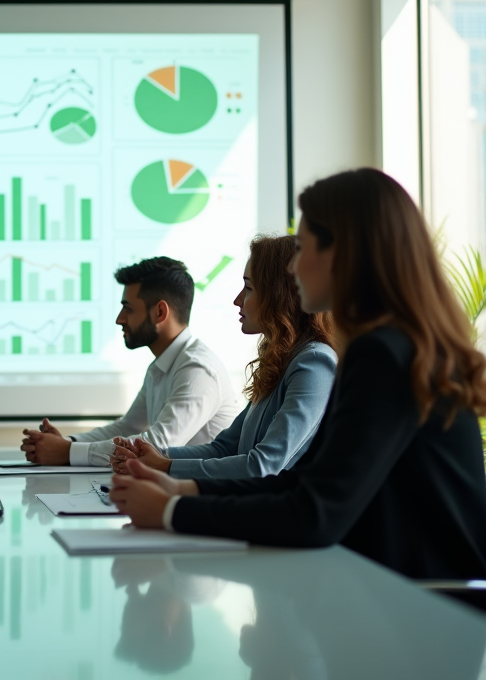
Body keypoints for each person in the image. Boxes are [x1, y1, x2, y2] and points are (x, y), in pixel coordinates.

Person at [110, 168, 486, 579]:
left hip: (430, 608)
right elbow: (302, 481)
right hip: (407, 596)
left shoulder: (383, 354)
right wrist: (185, 489)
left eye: (303, 248)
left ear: (344, 254)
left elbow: (314, 512)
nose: (291, 270)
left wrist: (172, 510)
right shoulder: (390, 347)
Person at [111, 235, 336, 479]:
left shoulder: (313, 364)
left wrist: (165, 465)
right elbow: (223, 448)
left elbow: (262, 466)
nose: (237, 300)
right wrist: (155, 455)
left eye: (248, 288)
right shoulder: (280, 361)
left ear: (280, 295)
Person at [20, 256, 238, 466]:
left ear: (160, 312)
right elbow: (126, 427)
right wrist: (67, 443)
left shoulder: (197, 369)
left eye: (128, 308)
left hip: (201, 497)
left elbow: (157, 446)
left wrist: (66, 452)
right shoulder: (161, 365)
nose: (119, 319)